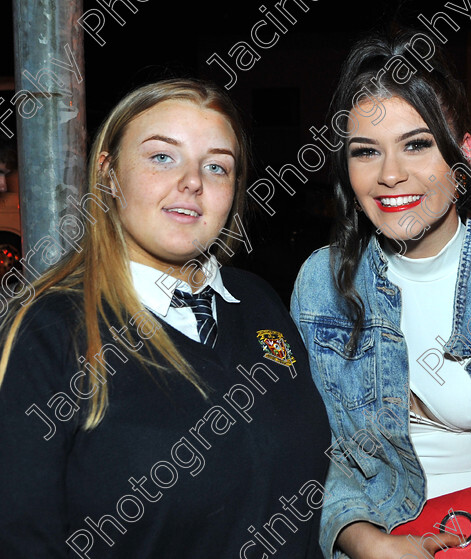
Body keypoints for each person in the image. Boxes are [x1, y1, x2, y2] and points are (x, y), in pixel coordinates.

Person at [0, 78, 330, 558]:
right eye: (162, 156)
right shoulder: (50, 330)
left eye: (216, 166)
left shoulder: (258, 302)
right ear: (109, 173)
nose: (193, 181)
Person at [291, 28, 471, 559]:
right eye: (366, 152)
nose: (390, 175)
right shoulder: (321, 284)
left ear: (464, 155)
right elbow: (317, 453)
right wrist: (366, 543)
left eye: (417, 144)